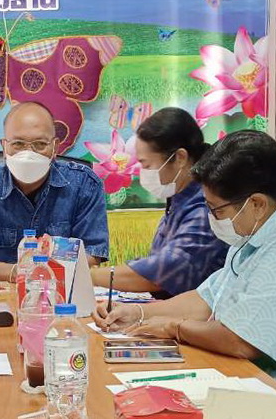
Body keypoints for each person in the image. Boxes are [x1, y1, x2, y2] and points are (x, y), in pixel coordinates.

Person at [96, 130, 276, 398]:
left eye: (216, 209)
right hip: (257, 380)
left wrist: (173, 327)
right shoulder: (261, 228)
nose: (212, 219)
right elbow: (208, 298)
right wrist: (138, 313)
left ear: (257, 203)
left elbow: (242, 340)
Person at [0, 101, 110, 279]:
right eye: (18, 144)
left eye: (40, 144)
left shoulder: (84, 184)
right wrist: (19, 273)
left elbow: (92, 252)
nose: (28, 153)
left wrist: (45, 273)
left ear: (55, 147)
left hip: (57, 289)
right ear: (4, 146)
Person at [90, 107, 224, 298]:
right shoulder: (178, 198)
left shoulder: (206, 205)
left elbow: (165, 271)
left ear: (180, 158)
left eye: (147, 165)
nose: (142, 173)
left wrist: (90, 276)